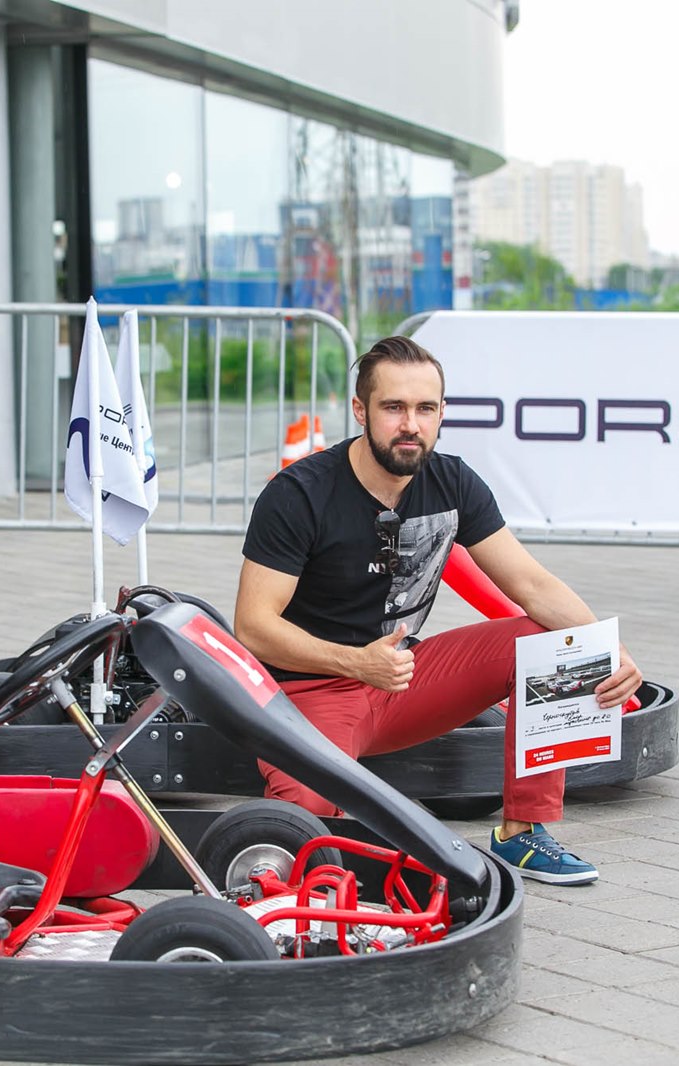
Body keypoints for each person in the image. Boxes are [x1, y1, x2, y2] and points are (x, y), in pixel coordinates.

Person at [235, 335, 641, 885]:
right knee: (303, 825)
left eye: (425, 408)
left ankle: (521, 834)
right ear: (360, 410)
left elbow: (531, 584)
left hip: (401, 677)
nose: (411, 425)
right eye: (393, 407)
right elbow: (253, 626)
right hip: (310, 691)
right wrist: (356, 663)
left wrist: (605, 649)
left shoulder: (452, 480)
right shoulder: (299, 493)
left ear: (442, 412)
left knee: (547, 642)